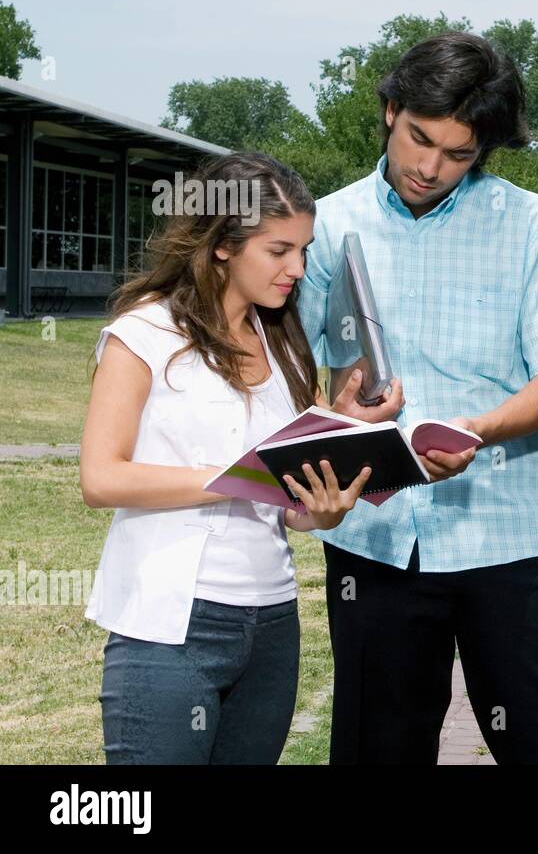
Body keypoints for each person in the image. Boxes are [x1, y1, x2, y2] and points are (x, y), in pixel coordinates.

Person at [295, 31, 538, 765]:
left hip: (512, 537)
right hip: (375, 537)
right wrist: (338, 409)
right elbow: (292, 368)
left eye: (458, 154)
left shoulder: (533, 226)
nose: (430, 168)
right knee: (379, 750)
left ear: (485, 152)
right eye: (418, 139)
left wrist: (479, 430)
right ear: (390, 111)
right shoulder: (328, 224)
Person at [81, 152, 371, 764]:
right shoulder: (144, 334)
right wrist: (240, 477)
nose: (297, 268)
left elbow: (292, 502)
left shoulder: (285, 343)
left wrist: (327, 495)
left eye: (303, 249)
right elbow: (101, 477)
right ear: (221, 245)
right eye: (278, 250)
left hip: (271, 624)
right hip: (168, 628)